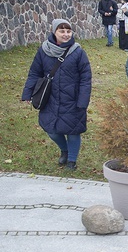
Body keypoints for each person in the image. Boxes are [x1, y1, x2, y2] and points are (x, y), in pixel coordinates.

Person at [21, 19, 92, 171]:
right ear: (54, 32)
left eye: (68, 31)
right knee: (51, 130)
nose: (66, 34)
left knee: (73, 131)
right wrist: (27, 93)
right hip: (50, 97)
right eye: (62, 31)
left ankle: (72, 161)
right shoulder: (43, 50)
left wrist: (83, 101)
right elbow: (34, 72)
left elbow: (86, 78)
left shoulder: (78, 52)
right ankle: (64, 150)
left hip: (72, 98)